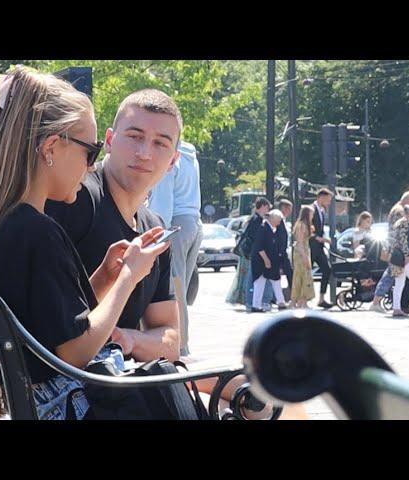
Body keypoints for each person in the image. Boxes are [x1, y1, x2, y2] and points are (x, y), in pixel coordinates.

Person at [45, 90, 294, 416]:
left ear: (174, 159)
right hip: (91, 389)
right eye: (134, 137)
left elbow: (170, 337)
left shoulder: (155, 227)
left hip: (131, 377)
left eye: (161, 143)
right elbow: (56, 338)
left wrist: (131, 339)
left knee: (270, 392)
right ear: (109, 140)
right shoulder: (75, 200)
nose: (145, 152)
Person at [0, 67, 169, 420]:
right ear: (51, 147)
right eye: (91, 151)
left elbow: (49, 327)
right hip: (68, 407)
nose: (92, 165)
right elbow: (74, 353)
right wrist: (129, 277)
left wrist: (103, 278)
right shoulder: (38, 233)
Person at [147, 140, 203, 355]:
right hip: (194, 222)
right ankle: (182, 343)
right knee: (181, 287)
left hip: (175, 224)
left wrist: (157, 232)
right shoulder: (191, 156)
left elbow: (162, 202)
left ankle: (178, 345)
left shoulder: (169, 155)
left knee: (174, 289)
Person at [369, 191, 409, 313]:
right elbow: (403, 238)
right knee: (407, 279)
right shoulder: (400, 213)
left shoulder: (396, 210)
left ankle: (395, 307)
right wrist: (407, 255)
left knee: (397, 279)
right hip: (399, 254)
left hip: (395, 252)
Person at [225, 197, 272, 310]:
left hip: (248, 252)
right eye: (267, 207)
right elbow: (256, 239)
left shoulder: (253, 219)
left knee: (246, 277)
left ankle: (249, 300)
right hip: (252, 253)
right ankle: (249, 301)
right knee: (250, 277)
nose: (268, 210)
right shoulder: (257, 220)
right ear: (263, 206)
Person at [389, 205, 409, 317]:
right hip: (403, 257)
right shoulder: (405, 224)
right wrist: (407, 256)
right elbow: (404, 241)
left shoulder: (398, 223)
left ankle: (396, 308)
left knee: (399, 283)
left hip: (395, 256)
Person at [250, 209, 287, 312]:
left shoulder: (271, 229)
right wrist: (266, 260)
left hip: (271, 261)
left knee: (276, 280)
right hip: (261, 261)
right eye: (278, 220)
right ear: (273, 219)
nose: (279, 223)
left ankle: (281, 302)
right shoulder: (263, 228)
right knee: (259, 283)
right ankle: (256, 305)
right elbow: (259, 246)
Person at [310, 189, 333, 308]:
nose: (329, 202)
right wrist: (320, 239)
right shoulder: (311, 209)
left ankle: (321, 298)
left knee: (327, 269)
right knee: (306, 272)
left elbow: (320, 229)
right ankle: (301, 299)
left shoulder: (322, 211)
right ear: (321, 197)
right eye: (328, 199)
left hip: (318, 247)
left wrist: (323, 238)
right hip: (311, 246)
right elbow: (307, 228)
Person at [290, 205, 315, 308]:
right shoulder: (301, 225)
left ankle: (302, 300)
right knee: (301, 276)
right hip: (301, 253)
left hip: (304, 251)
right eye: (311, 213)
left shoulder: (306, 225)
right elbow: (300, 242)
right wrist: (305, 257)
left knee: (305, 276)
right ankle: (298, 300)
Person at [276, 199, 294, 294]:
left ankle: (291, 293)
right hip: (279, 252)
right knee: (285, 273)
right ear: (284, 208)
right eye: (289, 209)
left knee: (289, 272)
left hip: (283, 251)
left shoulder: (284, 219)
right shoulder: (278, 219)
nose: (290, 212)